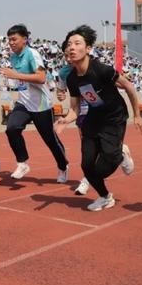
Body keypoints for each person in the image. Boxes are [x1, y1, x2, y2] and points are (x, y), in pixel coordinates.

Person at [54, 25, 142, 211]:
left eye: (77, 43)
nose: (71, 47)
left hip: (114, 117)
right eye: (69, 44)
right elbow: (75, 109)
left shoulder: (101, 70)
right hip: (93, 118)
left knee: (103, 168)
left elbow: (129, 87)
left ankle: (120, 154)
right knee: (87, 166)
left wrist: (137, 115)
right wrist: (65, 119)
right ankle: (105, 197)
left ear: (88, 49)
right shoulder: (71, 79)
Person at [0, 24, 69, 182]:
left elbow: (41, 78)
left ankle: (63, 166)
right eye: (9, 40)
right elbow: (20, 79)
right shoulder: (13, 57)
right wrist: (14, 78)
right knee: (11, 128)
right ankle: (22, 162)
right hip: (23, 103)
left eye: (14, 39)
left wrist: (15, 75)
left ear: (25, 39)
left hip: (41, 105)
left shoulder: (32, 54)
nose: (11, 42)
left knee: (50, 140)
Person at [56, 41, 90, 195]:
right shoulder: (64, 73)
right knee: (87, 147)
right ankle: (87, 178)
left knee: (104, 146)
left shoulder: (91, 67)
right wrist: (60, 93)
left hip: (101, 110)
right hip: (82, 111)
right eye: (66, 55)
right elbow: (61, 90)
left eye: (71, 53)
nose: (69, 58)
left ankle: (120, 152)